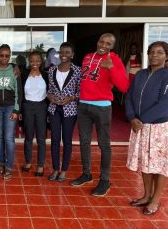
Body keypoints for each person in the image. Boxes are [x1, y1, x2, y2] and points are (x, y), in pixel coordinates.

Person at [126, 41, 168, 215]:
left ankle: (155, 200)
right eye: (151, 52)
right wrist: (131, 117)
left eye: (159, 52)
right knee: (146, 162)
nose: (154, 55)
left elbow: (165, 103)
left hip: (161, 128)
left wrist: (140, 120)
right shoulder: (141, 74)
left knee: (161, 165)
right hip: (141, 126)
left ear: (167, 56)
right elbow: (128, 97)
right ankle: (146, 195)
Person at [70, 33, 129, 197]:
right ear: (97, 42)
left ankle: (104, 180)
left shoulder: (114, 59)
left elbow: (124, 86)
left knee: (104, 144)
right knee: (84, 141)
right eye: (102, 42)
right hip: (83, 105)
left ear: (112, 46)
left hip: (102, 106)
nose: (104, 45)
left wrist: (111, 68)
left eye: (108, 43)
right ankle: (87, 173)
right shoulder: (88, 57)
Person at [47, 42, 81, 182]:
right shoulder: (51, 70)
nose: (64, 55)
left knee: (67, 140)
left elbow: (80, 91)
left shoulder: (78, 71)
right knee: (55, 140)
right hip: (54, 108)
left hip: (69, 109)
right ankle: (55, 168)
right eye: (61, 52)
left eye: (67, 52)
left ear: (72, 55)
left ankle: (64, 170)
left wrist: (71, 97)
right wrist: (50, 97)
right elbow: (49, 90)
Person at [0, 44, 22, 181]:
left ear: (10, 56)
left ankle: (9, 167)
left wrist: (16, 109)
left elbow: (18, 92)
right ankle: (1, 163)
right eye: (2, 55)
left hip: (10, 107)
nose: (4, 58)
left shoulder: (14, 71)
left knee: (8, 137)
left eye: (7, 55)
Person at [20, 51, 49, 177]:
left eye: (37, 60)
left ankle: (41, 165)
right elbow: (21, 93)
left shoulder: (46, 75)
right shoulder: (24, 74)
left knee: (41, 138)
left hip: (42, 107)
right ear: (29, 61)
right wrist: (20, 110)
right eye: (32, 60)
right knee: (28, 137)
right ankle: (28, 162)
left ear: (41, 61)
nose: (35, 63)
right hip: (27, 107)